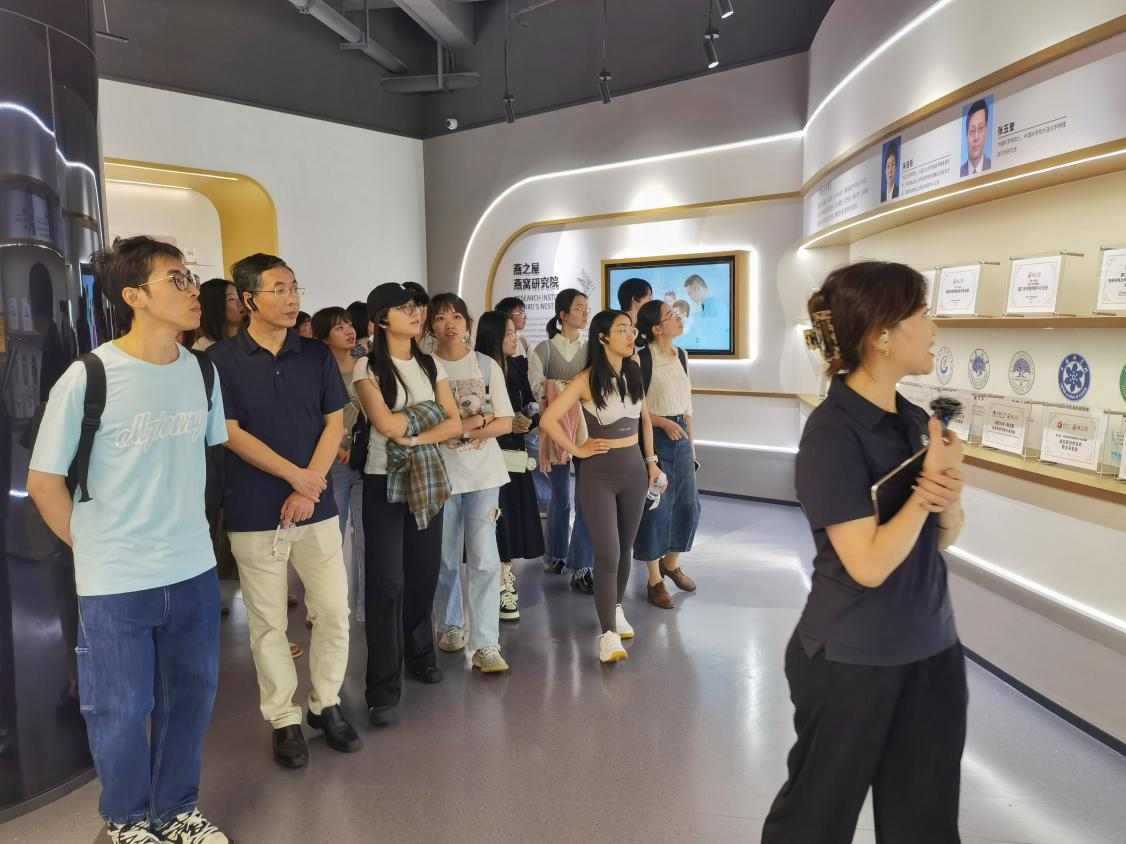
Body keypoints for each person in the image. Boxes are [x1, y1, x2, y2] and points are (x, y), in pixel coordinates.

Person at [27, 236, 231, 843]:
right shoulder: (89, 376)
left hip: (193, 568)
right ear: (135, 295)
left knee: (190, 698)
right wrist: (92, 548)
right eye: (177, 279)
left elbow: (205, 458)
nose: (193, 291)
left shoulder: (202, 371)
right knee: (118, 708)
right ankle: (126, 819)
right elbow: (43, 481)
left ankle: (176, 810)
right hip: (116, 580)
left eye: (192, 278)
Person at [761, 261, 967, 843]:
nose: (933, 328)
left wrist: (947, 498)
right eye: (922, 314)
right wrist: (925, 494)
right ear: (882, 334)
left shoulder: (913, 420)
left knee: (925, 825)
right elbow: (869, 564)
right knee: (816, 823)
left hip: (933, 651)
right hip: (850, 660)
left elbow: (942, 537)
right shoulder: (831, 435)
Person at [208, 253, 360, 770]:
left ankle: (325, 702)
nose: (292, 298)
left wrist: (308, 487)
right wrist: (296, 477)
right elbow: (229, 432)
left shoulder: (314, 354)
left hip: (316, 507)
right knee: (268, 622)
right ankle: (283, 718)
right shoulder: (221, 360)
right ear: (249, 299)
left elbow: (334, 424)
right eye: (279, 289)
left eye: (294, 287)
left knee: (333, 610)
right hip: (254, 509)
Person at [353, 283, 461, 725]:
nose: (416, 313)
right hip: (383, 481)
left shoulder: (430, 363)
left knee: (423, 572)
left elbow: (454, 423)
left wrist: (413, 433)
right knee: (385, 582)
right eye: (404, 308)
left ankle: (420, 653)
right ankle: (382, 688)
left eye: (416, 306)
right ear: (382, 320)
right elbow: (385, 425)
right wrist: (428, 415)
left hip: (427, 477)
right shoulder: (368, 366)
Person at [539, 309, 665, 663]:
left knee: (624, 548)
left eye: (632, 329)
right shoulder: (586, 379)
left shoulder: (634, 371)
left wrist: (652, 461)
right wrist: (577, 449)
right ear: (602, 336)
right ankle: (607, 634)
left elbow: (645, 421)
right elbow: (548, 419)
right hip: (598, 474)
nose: (631, 335)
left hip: (635, 471)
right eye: (622, 329)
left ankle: (616, 608)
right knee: (607, 553)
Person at [428, 295, 514, 672]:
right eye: (440, 317)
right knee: (444, 557)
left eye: (457, 317)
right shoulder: (425, 366)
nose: (450, 324)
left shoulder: (485, 364)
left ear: (467, 322)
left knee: (484, 558)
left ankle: (486, 644)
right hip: (439, 474)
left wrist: (461, 432)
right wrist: (476, 422)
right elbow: (422, 424)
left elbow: (505, 422)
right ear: (430, 325)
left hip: (483, 475)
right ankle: (450, 625)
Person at [476, 311, 545, 622]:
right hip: (486, 452)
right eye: (507, 334)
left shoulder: (517, 365)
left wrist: (528, 418)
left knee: (512, 518)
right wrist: (505, 423)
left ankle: (505, 579)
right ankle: (497, 584)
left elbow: (531, 404)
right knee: (493, 520)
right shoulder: (478, 369)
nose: (514, 338)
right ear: (492, 337)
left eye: (514, 332)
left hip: (515, 454)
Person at [634, 301, 700, 609]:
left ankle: (671, 564)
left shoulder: (682, 355)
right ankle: (654, 580)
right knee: (656, 509)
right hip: (655, 439)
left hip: (681, 437)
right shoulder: (640, 359)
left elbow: (687, 408)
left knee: (689, 506)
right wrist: (661, 423)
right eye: (671, 315)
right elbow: (636, 410)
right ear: (656, 329)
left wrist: (692, 450)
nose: (678, 318)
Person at [529, 289, 595, 590]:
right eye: (579, 308)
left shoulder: (592, 348)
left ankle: (582, 563)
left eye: (586, 307)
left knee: (585, 499)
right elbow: (537, 388)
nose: (585, 312)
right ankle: (555, 553)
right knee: (560, 497)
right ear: (563, 314)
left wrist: (565, 388)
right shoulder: (544, 349)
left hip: (586, 429)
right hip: (555, 430)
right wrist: (569, 388)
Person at [312, 307, 366, 627]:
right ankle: (324, 607)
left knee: (367, 539)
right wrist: (338, 446)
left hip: (365, 459)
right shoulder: (319, 369)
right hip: (333, 463)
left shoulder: (365, 365)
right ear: (323, 337)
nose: (348, 330)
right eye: (338, 327)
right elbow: (313, 416)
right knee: (332, 537)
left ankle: (365, 608)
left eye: (348, 324)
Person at [496, 296, 550, 516]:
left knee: (528, 461)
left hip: (525, 415)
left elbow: (529, 381)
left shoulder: (524, 342)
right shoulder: (491, 362)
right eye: (520, 313)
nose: (525, 317)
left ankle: (541, 502)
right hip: (505, 423)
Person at [192, 278, 245, 351]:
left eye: (240, 296)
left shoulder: (245, 339)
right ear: (214, 307)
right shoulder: (206, 348)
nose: (241, 302)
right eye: (232, 299)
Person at [960, 98, 991, 177]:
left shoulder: (993, 165)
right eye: (972, 131)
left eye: (980, 128)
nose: (976, 138)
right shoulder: (960, 172)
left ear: (986, 130)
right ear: (966, 135)